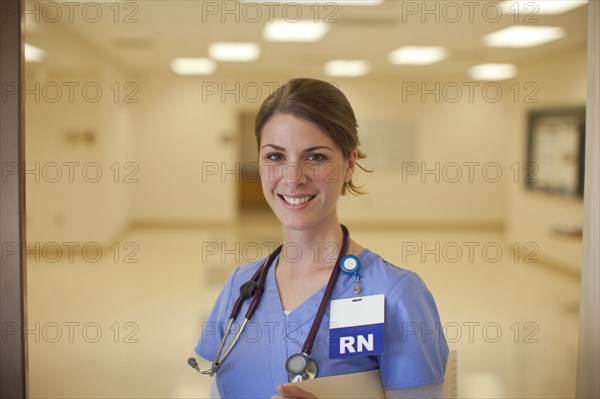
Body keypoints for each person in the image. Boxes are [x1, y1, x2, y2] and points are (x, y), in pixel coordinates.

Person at [194, 78, 448, 399]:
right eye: (275, 157)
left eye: (315, 157)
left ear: (349, 164)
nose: (292, 177)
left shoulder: (394, 295)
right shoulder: (240, 288)